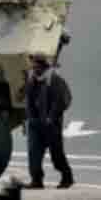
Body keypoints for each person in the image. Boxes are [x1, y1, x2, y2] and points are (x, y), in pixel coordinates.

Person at [24, 55, 74, 189]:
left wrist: (51, 117)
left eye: (36, 67)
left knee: (56, 155)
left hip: (51, 125)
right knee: (33, 154)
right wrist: (29, 119)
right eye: (33, 67)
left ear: (43, 67)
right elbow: (28, 101)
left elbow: (63, 100)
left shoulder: (55, 80)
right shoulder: (32, 80)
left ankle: (67, 177)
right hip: (35, 124)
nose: (34, 69)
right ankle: (36, 180)